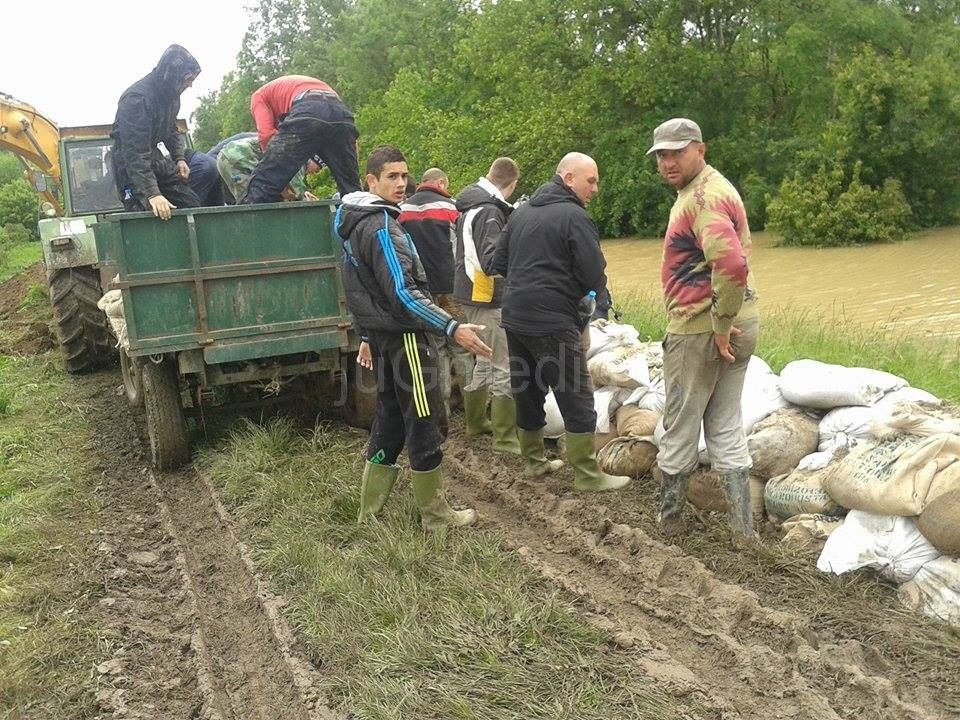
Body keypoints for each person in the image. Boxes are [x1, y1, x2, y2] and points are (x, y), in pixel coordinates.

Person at [336, 145, 492, 530]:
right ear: (371, 181)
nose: (401, 183)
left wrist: (367, 336)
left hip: (386, 339)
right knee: (423, 420)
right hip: (405, 340)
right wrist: (453, 327)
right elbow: (403, 295)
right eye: (392, 176)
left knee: (389, 420)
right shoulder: (380, 227)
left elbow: (359, 289)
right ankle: (435, 515)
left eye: (405, 175)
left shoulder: (356, 222)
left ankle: (368, 514)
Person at [647, 118, 760, 546]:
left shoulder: (702, 197)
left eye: (677, 152)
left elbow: (731, 265)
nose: (667, 162)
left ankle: (670, 522)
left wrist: (719, 327)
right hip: (739, 322)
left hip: (701, 329)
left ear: (701, 149)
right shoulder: (720, 187)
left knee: (679, 423)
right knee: (727, 425)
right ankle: (742, 531)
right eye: (661, 154)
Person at [490, 153, 630, 492]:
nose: (595, 188)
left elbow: (498, 261)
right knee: (576, 392)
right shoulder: (574, 216)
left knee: (528, 387)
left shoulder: (521, 211)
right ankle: (587, 473)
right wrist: (577, 294)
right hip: (552, 317)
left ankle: (534, 462)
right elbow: (594, 272)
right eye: (591, 181)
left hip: (515, 314)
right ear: (568, 179)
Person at [453, 157, 522, 454]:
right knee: (503, 363)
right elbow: (491, 258)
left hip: (468, 293)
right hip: (486, 296)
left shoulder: (471, 205)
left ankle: (476, 422)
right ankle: (505, 438)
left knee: (483, 359)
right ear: (513, 183)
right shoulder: (491, 211)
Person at [399, 168, 473, 417]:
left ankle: (443, 407)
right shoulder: (452, 208)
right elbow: (461, 249)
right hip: (452, 288)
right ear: (441, 182)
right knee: (461, 346)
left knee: (437, 347)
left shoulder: (403, 211)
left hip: (423, 291)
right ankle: (471, 404)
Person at [110, 44, 202, 220]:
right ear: (173, 74)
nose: (190, 85)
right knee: (147, 216)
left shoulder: (171, 96)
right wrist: (153, 194)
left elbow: (171, 129)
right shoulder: (136, 100)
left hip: (154, 158)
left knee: (190, 204)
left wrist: (179, 158)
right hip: (130, 165)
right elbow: (135, 154)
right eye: (188, 79)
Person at [241, 75, 361, 203]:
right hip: (341, 113)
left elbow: (266, 134)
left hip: (308, 109)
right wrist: (350, 169)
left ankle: (248, 219)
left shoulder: (258, 97)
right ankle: (363, 218)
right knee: (353, 193)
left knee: (262, 186)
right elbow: (352, 143)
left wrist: (279, 179)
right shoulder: (296, 86)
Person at [216, 135, 319, 204]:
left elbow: (281, 187)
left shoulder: (293, 150)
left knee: (259, 196)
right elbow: (297, 190)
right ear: (313, 160)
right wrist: (310, 200)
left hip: (227, 156)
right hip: (237, 158)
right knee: (250, 201)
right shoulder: (298, 159)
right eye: (318, 168)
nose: (315, 173)